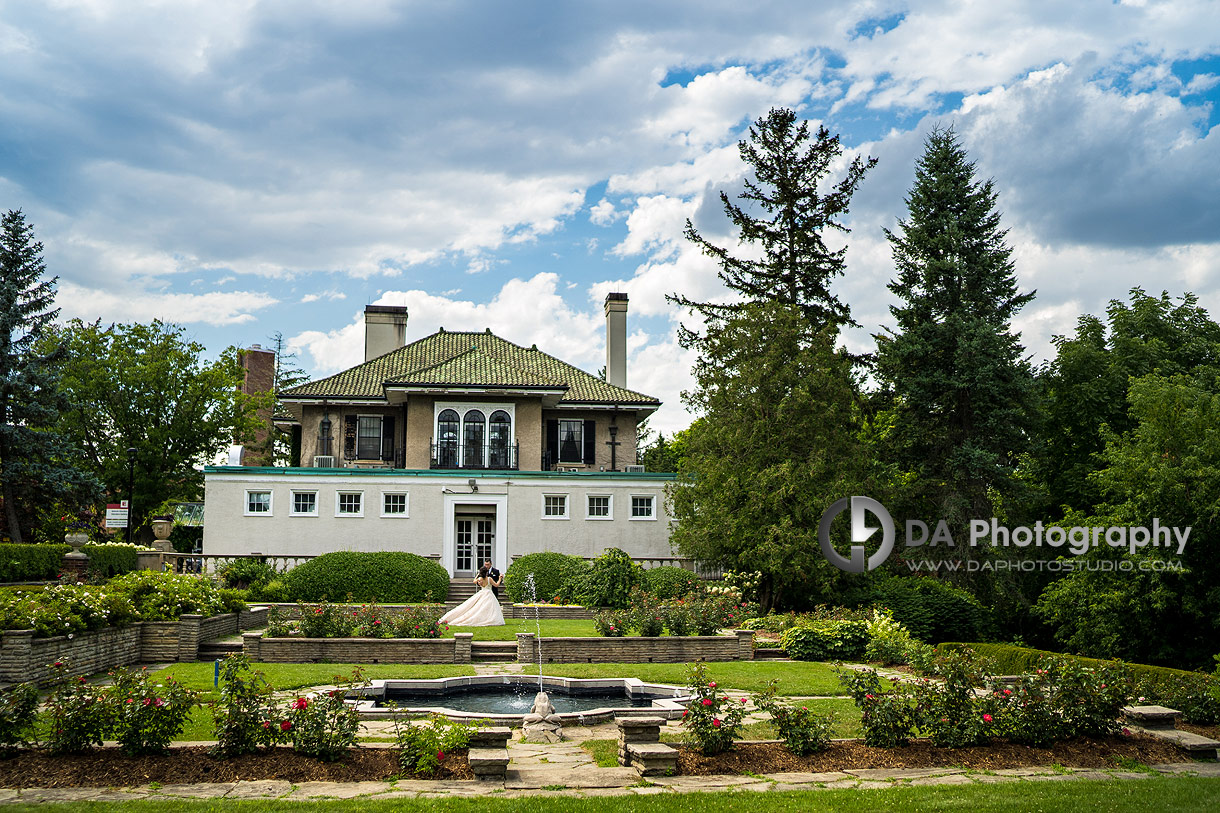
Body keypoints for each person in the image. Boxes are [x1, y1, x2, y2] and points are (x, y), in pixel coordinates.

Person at [439, 568, 505, 626]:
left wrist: (477, 575)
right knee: (488, 608)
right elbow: (496, 585)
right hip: (489, 593)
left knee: (478, 607)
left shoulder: (480, 579)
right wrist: (499, 578)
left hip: (482, 593)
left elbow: (474, 581)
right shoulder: (489, 579)